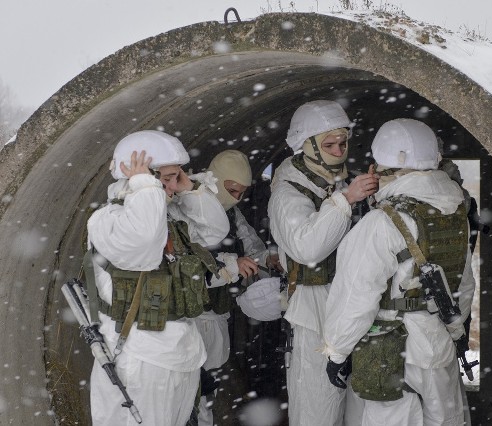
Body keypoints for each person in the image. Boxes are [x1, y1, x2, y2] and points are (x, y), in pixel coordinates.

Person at [322, 118, 476, 425]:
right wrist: (457, 331)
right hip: (438, 344)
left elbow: (356, 294)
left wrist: (337, 352)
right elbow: (463, 284)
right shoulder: (456, 213)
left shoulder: (383, 222)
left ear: (380, 166)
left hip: (391, 355)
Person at [86, 130, 233, 426]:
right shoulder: (109, 220)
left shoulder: (168, 216)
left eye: (174, 176)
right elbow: (145, 248)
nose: (169, 186)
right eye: (163, 178)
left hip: (179, 352)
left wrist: (188, 188)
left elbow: (216, 231)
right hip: (139, 357)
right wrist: (145, 185)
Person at [267, 100, 379, 426]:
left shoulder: (344, 181)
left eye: (343, 143)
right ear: (307, 146)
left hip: (356, 306)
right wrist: (346, 201)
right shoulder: (287, 193)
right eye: (328, 144)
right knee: (318, 409)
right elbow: (308, 248)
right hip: (315, 308)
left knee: (363, 407)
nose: (338, 150)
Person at [194, 149, 281, 425]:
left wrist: (267, 258)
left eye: (242, 193)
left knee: (208, 393)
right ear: (216, 181)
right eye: (232, 190)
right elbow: (189, 264)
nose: (237, 198)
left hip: (219, 316)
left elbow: (249, 243)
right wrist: (230, 267)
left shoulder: (231, 213)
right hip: (191, 318)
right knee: (188, 397)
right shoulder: (190, 209)